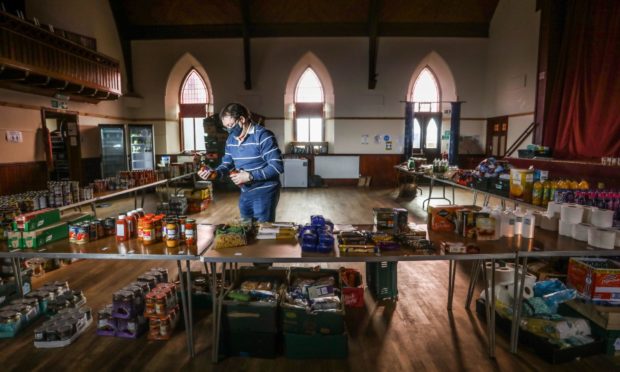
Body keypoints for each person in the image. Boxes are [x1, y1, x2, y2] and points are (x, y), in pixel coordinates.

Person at [198, 103, 284, 222]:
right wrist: (214, 173)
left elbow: (277, 167)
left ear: (242, 119)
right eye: (226, 127)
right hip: (245, 191)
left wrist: (250, 176)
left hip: (265, 191)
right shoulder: (231, 140)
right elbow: (227, 164)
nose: (229, 130)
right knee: (246, 229)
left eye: (231, 125)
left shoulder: (263, 136)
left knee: (263, 231)